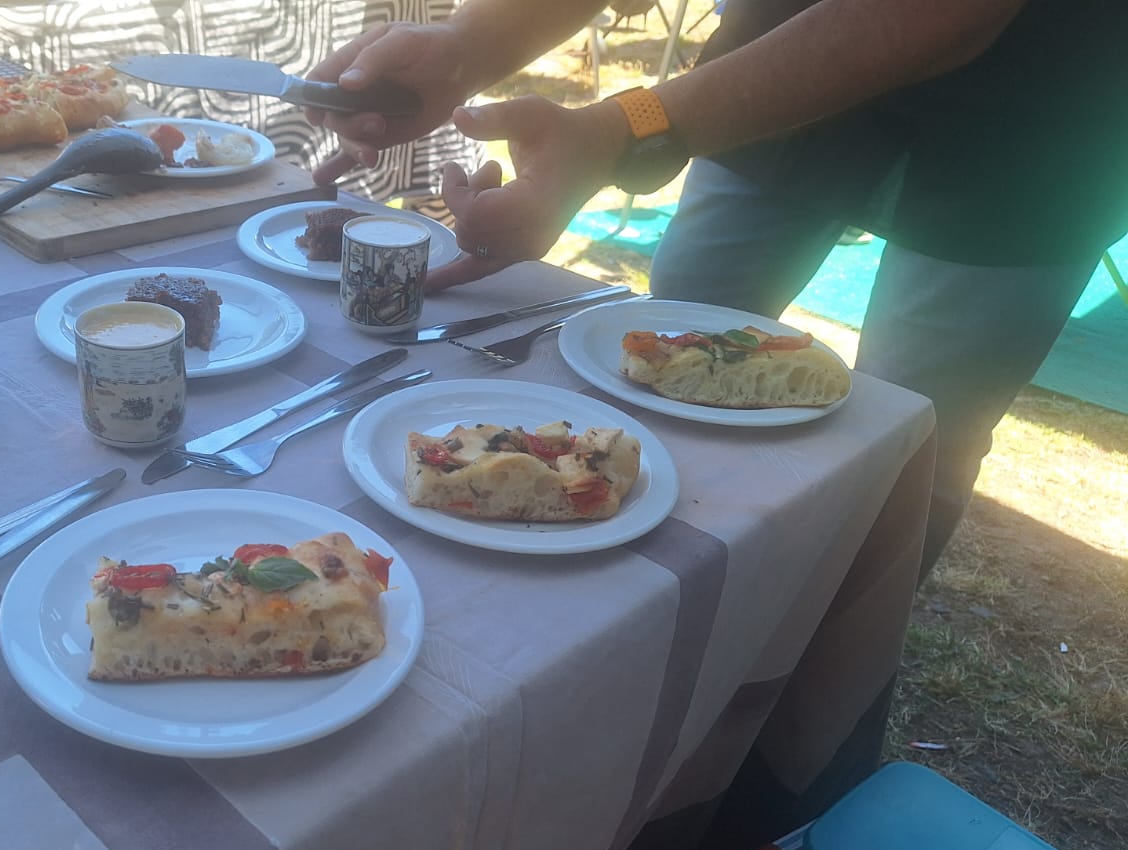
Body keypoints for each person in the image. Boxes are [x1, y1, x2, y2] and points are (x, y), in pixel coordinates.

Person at [304, 0, 1128, 578]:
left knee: (921, 441)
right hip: (772, 68)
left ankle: (816, 690)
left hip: (1047, 107)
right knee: (659, 371)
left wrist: (621, 131)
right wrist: (464, 43)